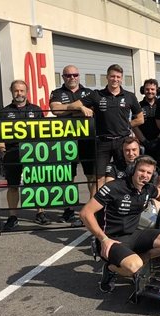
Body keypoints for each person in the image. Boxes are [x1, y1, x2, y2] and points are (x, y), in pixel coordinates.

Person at [80, 155, 160, 293]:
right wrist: (103, 239)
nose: (145, 175)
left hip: (133, 235)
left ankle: (138, 262)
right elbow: (85, 213)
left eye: (149, 173)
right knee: (133, 267)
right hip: (111, 240)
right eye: (141, 171)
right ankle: (110, 269)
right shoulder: (114, 187)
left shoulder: (148, 189)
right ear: (133, 170)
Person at [64, 64, 144, 192]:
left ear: (121, 78)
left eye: (118, 77)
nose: (115, 79)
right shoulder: (96, 95)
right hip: (102, 142)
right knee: (99, 178)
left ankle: (124, 206)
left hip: (122, 142)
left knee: (124, 174)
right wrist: (81, 107)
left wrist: (125, 125)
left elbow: (140, 119)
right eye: (112, 76)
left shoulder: (129, 96)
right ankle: (95, 210)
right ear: (107, 77)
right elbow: (71, 106)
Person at [0, 80, 49, 230]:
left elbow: (45, 133)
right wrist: (1, 150)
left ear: (27, 92)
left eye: (21, 90)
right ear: (11, 92)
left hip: (33, 152)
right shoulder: (4, 112)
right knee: (13, 186)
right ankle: (13, 217)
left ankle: (40, 213)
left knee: (36, 184)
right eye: (16, 91)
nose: (19, 93)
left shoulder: (37, 110)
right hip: (13, 153)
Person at [49, 64, 94, 226]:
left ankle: (91, 209)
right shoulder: (57, 93)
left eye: (75, 75)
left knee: (92, 176)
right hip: (66, 140)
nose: (72, 78)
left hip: (87, 140)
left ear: (79, 75)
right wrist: (78, 107)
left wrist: (67, 108)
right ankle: (68, 209)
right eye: (68, 75)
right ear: (63, 77)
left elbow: (93, 111)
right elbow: (55, 110)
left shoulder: (89, 92)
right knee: (68, 176)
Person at [135, 78, 160, 157]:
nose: (150, 91)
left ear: (157, 90)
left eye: (152, 89)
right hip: (144, 144)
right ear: (143, 90)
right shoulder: (138, 105)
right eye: (147, 89)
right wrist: (144, 141)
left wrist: (158, 139)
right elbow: (135, 126)